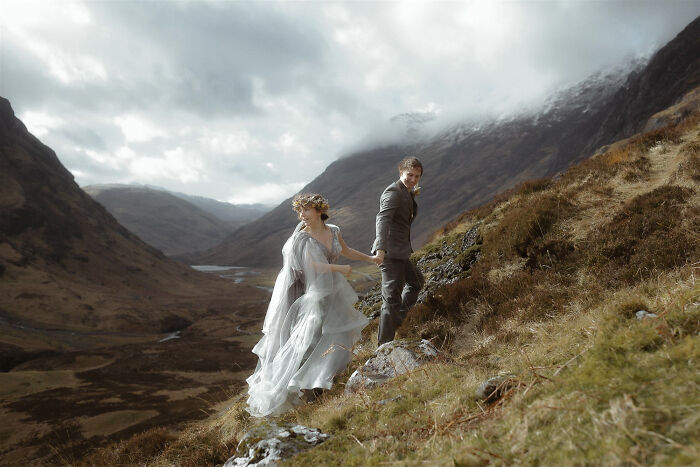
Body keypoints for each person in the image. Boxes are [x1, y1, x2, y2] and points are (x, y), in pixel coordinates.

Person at [246, 193, 378, 417]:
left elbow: (344, 251)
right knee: (310, 340)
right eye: (299, 211)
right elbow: (313, 266)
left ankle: (327, 380)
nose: (301, 215)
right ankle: (305, 388)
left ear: (319, 210)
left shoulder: (333, 230)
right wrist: (340, 269)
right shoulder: (302, 238)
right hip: (315, 294)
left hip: (334, 292)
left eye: (306, 210)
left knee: (338, 336)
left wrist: (370, 259)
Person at [371, 156, 425, 346]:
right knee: (391, 300)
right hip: (389, 253)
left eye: (417, 176)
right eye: (410, 175)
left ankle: (398, 321)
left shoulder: (408, 192)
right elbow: (382, 219)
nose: (413, 179)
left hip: (401, 252)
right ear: (401, 172)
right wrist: (380, 249)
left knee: (417, 281)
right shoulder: (393, 192)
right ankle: (383, 347)